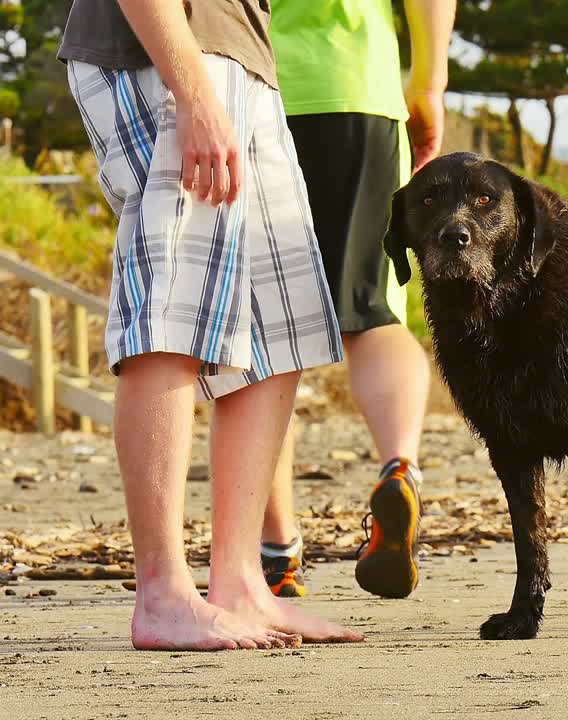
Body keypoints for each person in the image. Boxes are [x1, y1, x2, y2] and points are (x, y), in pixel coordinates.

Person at [57, 0, 363, 650]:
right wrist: (191, 90)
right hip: (164, 49)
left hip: (245, 50)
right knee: (174, 304)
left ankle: (242, 582)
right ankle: (163, 591)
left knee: (280, 324)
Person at [258, 0, 456, 599]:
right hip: (360, 88)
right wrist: (429, 82)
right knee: (374, 313)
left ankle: (277, 552)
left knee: (263, 337)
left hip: (255, 89)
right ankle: (400, 465)